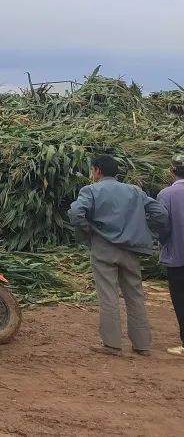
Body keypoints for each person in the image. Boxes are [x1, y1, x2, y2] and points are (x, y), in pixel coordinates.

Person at [68, 153, 168, 356]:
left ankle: (112, 344)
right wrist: (147, 230)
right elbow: (161, 213)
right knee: (135, 295)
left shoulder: (91, 190)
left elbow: (76, 213)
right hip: (132, 250)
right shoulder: (135, 191)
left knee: (108, 295)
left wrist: (89, 231)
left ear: (97, 170)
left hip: (104, 248)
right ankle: (142, 345)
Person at [157, 154, 184, 357]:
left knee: (180, 298)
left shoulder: (166, 194)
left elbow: (162, 224)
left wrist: (163, 241)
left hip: (177, 255)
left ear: (172, 171)